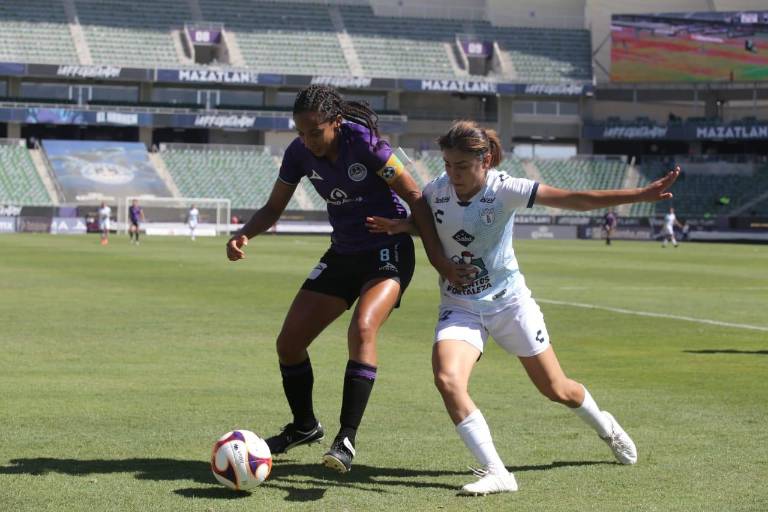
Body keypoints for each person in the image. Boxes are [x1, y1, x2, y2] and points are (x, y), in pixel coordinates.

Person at [367, 121, 680, 495]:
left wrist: (638, 195)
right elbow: (436, 227)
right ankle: (497, 472)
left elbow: (573, 200)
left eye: (462, 166)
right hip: (461, 306)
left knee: (557, 388)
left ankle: (606, 427)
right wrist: (404, 226)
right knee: (448, 379)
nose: (453, 174)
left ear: (486, 161)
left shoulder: (506, 190)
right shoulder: (436, 191)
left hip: (510, 304)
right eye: (448, 164)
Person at [225, 85, 436, 474]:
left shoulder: (367, 145)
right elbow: (274, 206)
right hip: (342, 254)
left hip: (386, 251)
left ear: (336, 123)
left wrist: (411, 232)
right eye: (300, 132)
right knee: (289, 344)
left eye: (313, 132)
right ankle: (305, 426)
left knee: (362, 328)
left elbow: (416, 197)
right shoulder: (298, 153)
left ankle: (346, 438)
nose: (306, 140)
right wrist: (244, 234)